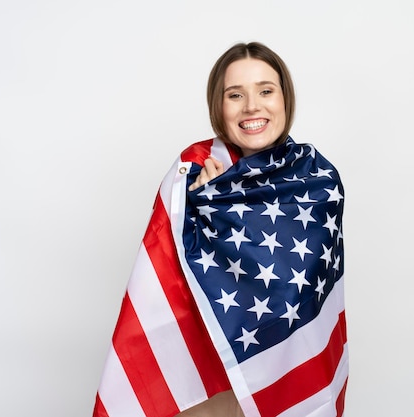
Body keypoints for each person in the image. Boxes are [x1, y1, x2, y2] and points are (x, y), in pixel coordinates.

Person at [93, 42, 348, 417]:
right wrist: (197, 213)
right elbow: (163, 291)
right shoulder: (189, 175)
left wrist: (224, 215)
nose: (251, 106)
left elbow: (299, 295)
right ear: (219, 105)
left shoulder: (316, 181)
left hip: (283, 381)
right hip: (207, 396)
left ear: (284, 98)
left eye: (265, 90)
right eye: (235, 95)